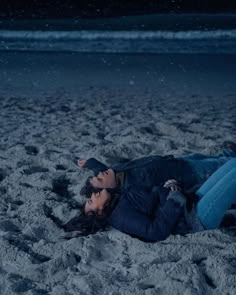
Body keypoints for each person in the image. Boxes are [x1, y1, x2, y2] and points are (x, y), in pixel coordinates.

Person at [61, 158, 236, 242]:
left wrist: (170, 188)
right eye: (91, 201)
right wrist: (173, 200)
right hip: (195, 218)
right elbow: (155, 232)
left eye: (90, 197)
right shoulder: (121, 217)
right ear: (99, 212)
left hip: (191, 201)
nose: (93, 196)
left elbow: (107, 176)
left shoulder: (119, 197)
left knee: (232, 164)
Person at [78, 142, 236, 195]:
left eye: (96, 175)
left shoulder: (115, 174)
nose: (100, 173)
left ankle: (229, 152)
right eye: (99, 179)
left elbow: (100, 170)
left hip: (178, 161)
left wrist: (89, 163)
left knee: (208, 157)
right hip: (191, 173)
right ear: (109, 190)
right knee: (220, 165)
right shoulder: (132, 188)